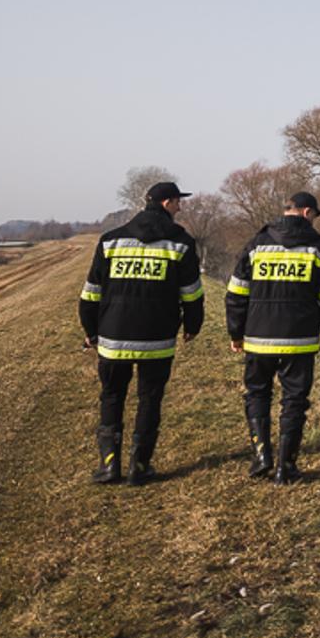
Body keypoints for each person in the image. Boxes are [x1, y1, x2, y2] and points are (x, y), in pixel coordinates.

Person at [78, 181, 205, 485]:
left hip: (113, 337)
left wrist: (91, 331)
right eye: (177, 202)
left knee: (112, 396)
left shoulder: (110, 241)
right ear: (166, 204)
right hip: (157, 339)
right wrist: (192, 326)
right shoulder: (181, 243)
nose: (180, 207)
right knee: (150, 399)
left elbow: (90, 294)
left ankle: (109, 466)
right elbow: (191, 294)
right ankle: (140, 466)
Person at [225, 191, 320, 484]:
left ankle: (262, 456)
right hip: (299, 339)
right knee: (294, 400)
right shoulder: (317, 248)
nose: (315, 222)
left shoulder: (257, 244)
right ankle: (285, 467)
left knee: (257, 394)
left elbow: (236, 293)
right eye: (315, 216)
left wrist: (236, 332)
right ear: (306, 212)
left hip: (258, 336)